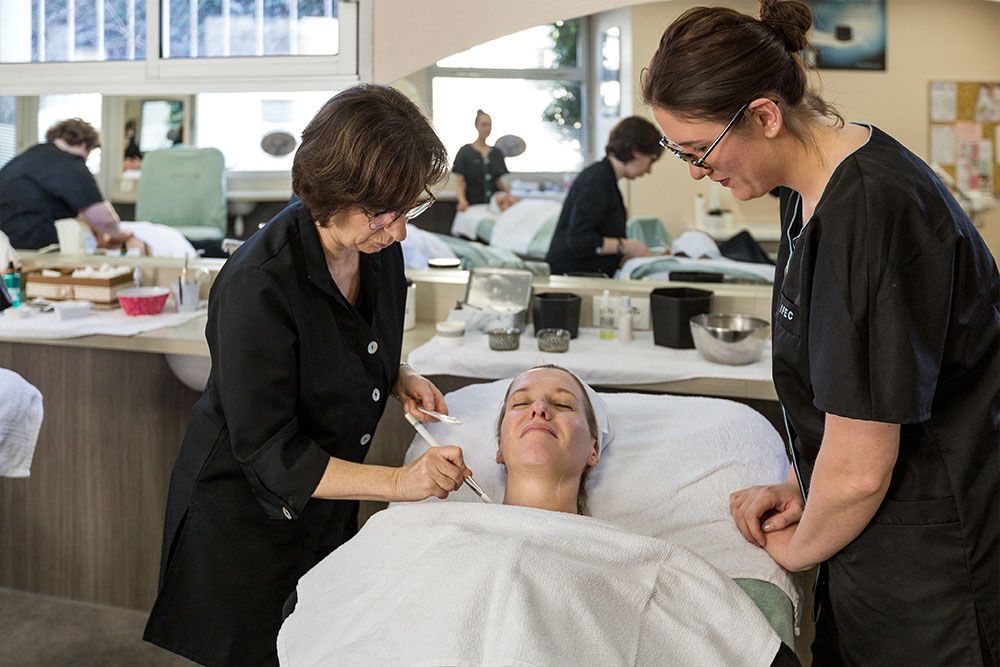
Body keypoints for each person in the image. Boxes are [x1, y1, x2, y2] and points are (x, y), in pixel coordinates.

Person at [642, 1, 998, 664]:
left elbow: (863, 468)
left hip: (935, 568)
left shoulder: (872, 209)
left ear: (764, 115)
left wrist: (797, 549)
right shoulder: (812, 192)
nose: (693, 170)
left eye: (697, 149)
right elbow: (853, 396)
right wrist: (807, 483)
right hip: (881, 543)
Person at [143, 84, 475, 666]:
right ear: (335, 190)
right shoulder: (258, 283)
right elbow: (270, 452)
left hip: (327, 505)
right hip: (244, 524)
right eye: (386, 213)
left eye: (409, 210)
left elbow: (341, 338)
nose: (399, 231)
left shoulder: (374, 246)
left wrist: (396, 372)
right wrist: (399, 484)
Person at [0, 118, 144, 252]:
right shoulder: (70, 163)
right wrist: (122, 234)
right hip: (27, 245)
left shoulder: (35, 153)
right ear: (84, 145)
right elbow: (103, 219)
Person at [545, 116, 663, 276]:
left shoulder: (606, 179)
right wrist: (625, 246)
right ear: (636, 152)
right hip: (571, 276)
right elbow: (579, 239)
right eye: (651, 160)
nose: (649, 170)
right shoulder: (597, 179)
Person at [493, 365, 601, 515]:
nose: (539, 407)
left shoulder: (618, 539)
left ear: (594, 450)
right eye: (521, 403)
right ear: (500, 447)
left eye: (562, 404)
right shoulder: (452, 523)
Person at [452, 109, 516, 212]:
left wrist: (509, 196)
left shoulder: (496, 153)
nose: (487, 128)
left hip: (495, 206)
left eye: (489, 125)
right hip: (473, 205)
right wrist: (462, 201)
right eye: (484, 125)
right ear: (476, 125)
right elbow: (459, 182)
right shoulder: (465, 152)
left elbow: (498, 181)